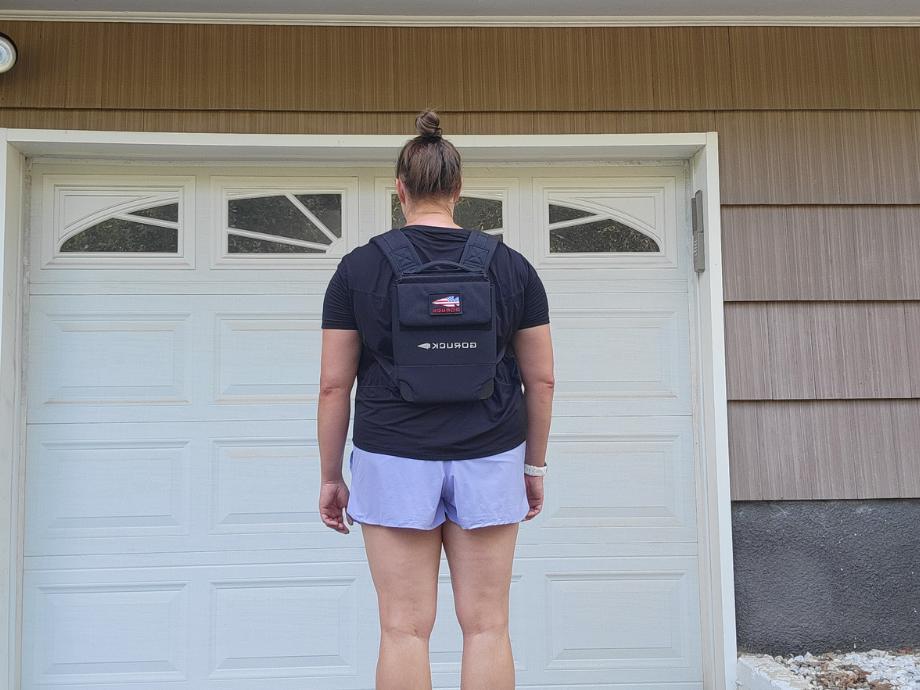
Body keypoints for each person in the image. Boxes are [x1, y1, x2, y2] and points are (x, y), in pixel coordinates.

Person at [317, 109, 554, 690]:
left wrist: (331, 476)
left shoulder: (358, 268)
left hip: (392, 457)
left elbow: (332, 385)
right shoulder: (511, 267)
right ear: (459, 189)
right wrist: (533, 465)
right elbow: (541, 380)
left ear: (399, 189)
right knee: (487, 627)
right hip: (490, 453)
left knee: (402, 628)